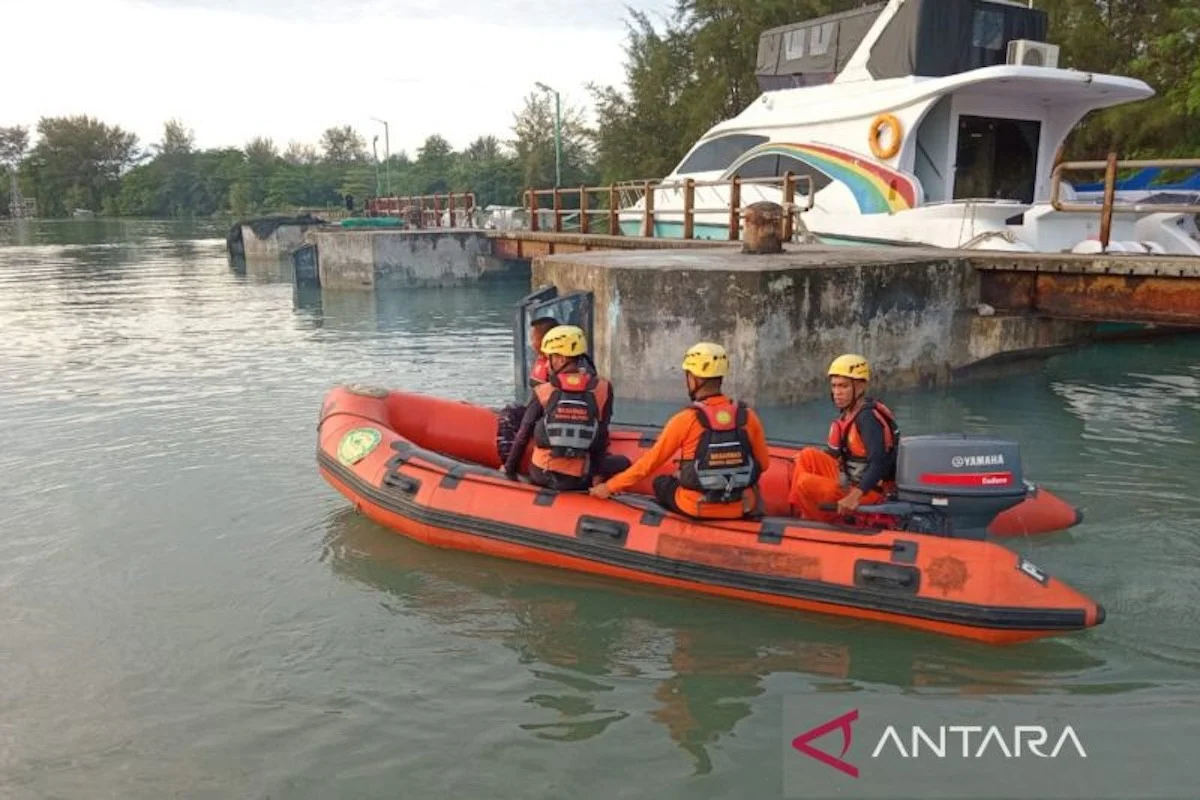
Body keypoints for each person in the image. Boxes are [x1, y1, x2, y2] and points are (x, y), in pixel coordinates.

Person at [590, 342, 770, 520]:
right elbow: (764, 464)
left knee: (661, 483)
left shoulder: (686, 419)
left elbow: (647, 465)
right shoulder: (747, 416)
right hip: (738, 506)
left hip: (696, 506)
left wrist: (609, 487)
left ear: (694, 379)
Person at [503, 325, 631, 491]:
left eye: (549, 358)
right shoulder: (603, 389)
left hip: (540, 474)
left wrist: (508, 470)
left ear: (562, 359)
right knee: (624, 462)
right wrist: (598, 478)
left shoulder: (544, 391)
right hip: (577, 479)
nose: (547, 365)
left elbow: (523, 434)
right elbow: (601, 436)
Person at [788, 354, 900, 523]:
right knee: (807, 455)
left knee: (806, 482)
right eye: (834, 386)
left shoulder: (868, 418)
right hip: (850, 479)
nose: (837, 393)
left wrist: (855, 495)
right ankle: (803, 510)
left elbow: (879, 463)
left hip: (869, 492)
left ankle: (816, 520)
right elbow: (839, 453)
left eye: (843, 386)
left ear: (861, 386)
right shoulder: (850, 413)